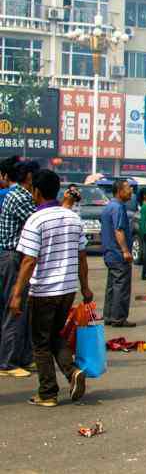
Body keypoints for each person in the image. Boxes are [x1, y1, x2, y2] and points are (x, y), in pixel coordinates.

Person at [7, 169, 92, 406]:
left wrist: (16, 294)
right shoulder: (72, 217)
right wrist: (85, 288)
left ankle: (48, 393)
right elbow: (82, 257)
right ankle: (73, 372)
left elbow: (28, 261)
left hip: (44, 291)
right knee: (54, 335)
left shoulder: (36, 220)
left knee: (40, 343)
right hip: (67, 289)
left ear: (36, 191)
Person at [0, 160, 38, 378]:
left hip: (15, 257)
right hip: (13, 258)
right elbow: (38, 220)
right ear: (30, 177)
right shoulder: (21, 197)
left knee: (22, 309)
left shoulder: (17, 195)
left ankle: (22, 357)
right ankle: (8, 362)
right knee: (13, 307)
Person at [100, 180, 135, 327]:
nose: (131, 191)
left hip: (110, 253)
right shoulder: (118, 207)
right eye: (128, 188)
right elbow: (118, 230)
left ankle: (109, 316)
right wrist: (125, 250)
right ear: (119, 191)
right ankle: (118, 318)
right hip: (118, 253)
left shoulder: (109, 206)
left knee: (112, 286)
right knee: (121, 286)